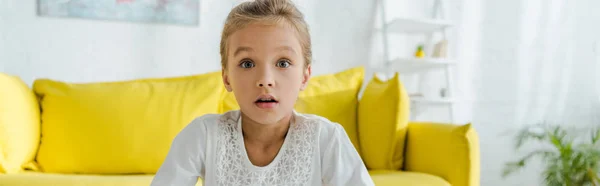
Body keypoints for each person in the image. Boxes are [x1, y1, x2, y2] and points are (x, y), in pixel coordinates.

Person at [150, 0, 374, 185]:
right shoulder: (203, 136)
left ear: (305, 76)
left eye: (283, 63)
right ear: (226, 77)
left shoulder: (326, 139)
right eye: (247, 64)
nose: (265, 80)